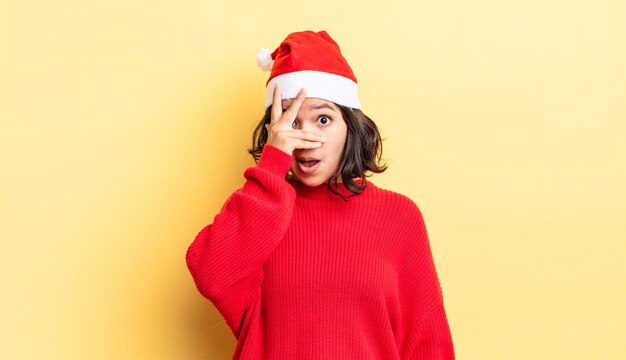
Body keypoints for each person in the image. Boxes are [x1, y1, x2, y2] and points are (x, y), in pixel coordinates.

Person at [186, 30, 455, 359]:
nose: (305, 137)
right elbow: (211, 272)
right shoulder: (260, 212)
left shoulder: (399, 216)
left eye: (323, 119)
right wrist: (272, 166)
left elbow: (426, 340)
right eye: (290, 121)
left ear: (351, 126)